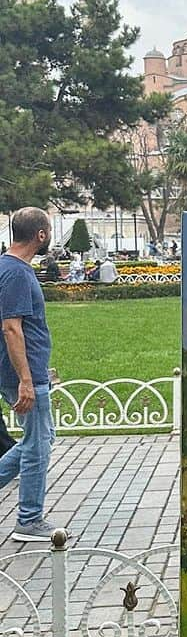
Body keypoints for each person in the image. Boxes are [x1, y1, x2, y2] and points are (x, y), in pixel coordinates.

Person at [0, 208, 63, 542]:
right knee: (37, 446)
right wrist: (26, 379)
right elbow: (11, 328)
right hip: (24, 375)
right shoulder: (16, 274)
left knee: (39, 438)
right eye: (49, 230)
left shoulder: (12, 269)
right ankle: (29, 519)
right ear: (40, 234)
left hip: (31, 371)